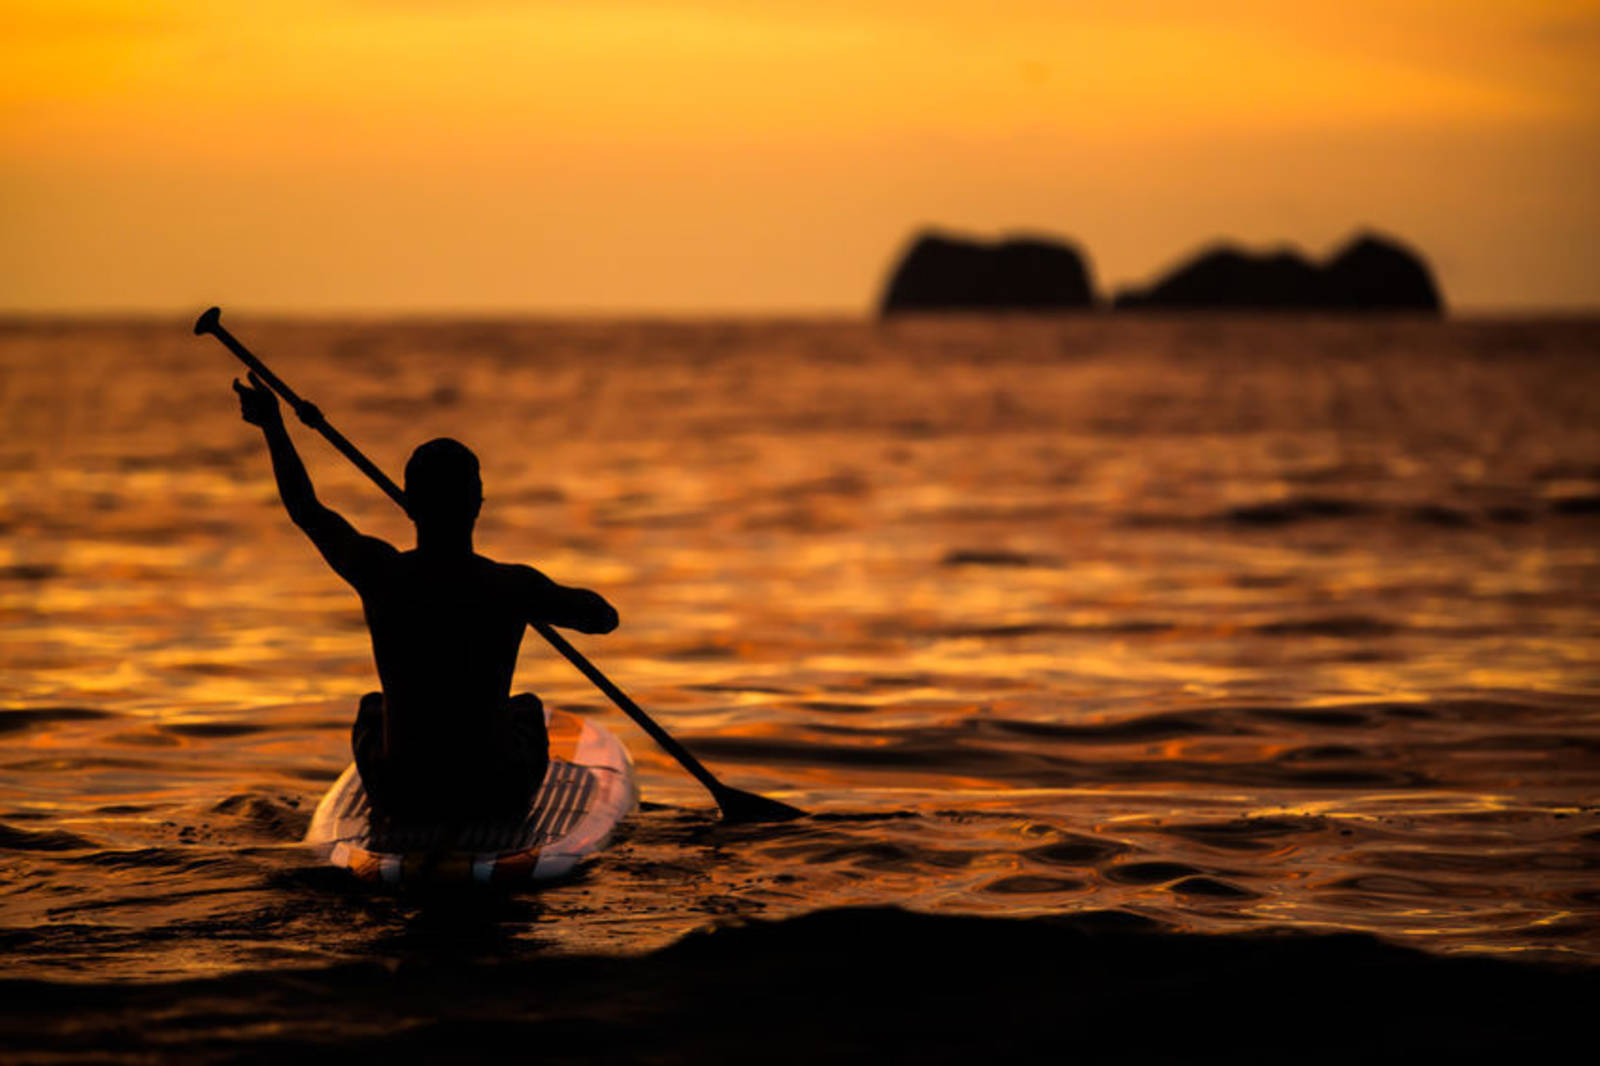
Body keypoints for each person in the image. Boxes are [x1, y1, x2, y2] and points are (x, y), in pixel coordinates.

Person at [233, 371, 618, 826]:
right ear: (478, 502)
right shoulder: (511, 585)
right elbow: (603, 619)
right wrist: (552, 599)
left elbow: (305, 509)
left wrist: (274, 428)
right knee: (528, 710)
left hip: (402, 791)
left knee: (371, 710)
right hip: (492, 791)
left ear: (410, 503)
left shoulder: (379, 571)